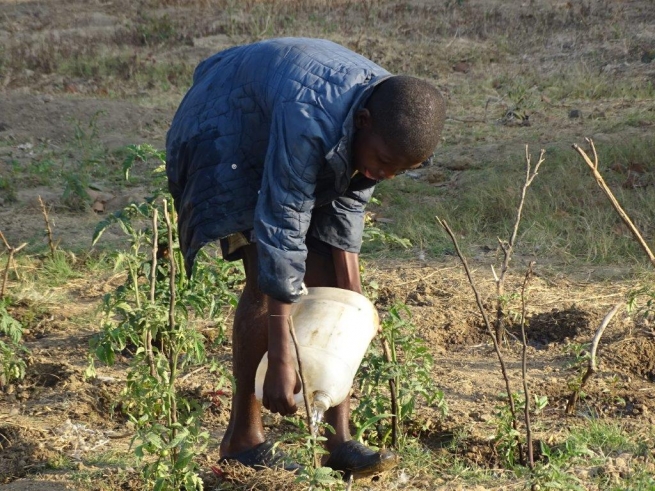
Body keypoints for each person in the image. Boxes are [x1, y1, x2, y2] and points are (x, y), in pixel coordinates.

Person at [166, 37, 445, 478]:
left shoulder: (383, 123)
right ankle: (243, 438)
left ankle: (338, 442)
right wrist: (281, 358)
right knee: (265, 273)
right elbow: (282, 224)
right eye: (384, 163)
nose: (385, 175)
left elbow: (346, 214)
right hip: (226, 129)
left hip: (280, 111)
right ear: (364, 122)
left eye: (398, 171)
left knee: (330, 282)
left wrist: (351, 312)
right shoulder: (311, 121)